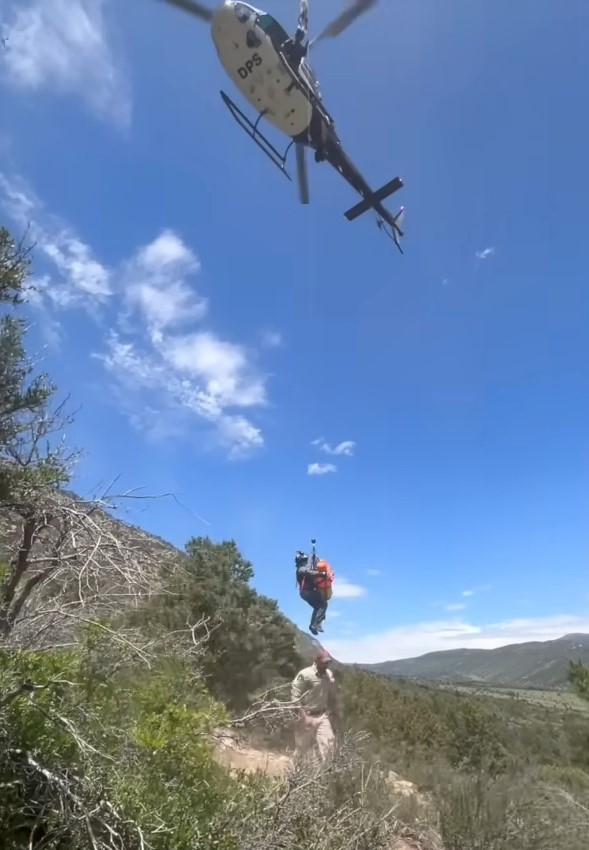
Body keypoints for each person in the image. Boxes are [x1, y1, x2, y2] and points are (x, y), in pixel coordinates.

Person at [291, 649, 338, 762]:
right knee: (301, 749)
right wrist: (303, 716)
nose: (327, 665)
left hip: (322, 715)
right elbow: (294, 696)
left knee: (329, 748)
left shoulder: (328, 674)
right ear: (316, 661)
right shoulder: (305, 674)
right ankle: (292, 773)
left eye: (328, 662)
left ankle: (327, 775)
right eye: (324, 662)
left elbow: (331, 691)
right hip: (306, 716)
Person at [295, 550, 332, 635]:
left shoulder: (301, 569)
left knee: (318, 607)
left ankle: (314, 624)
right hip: (307, 592)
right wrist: (320, 573)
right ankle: (316, 624)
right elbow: (308, 572)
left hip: (306, 593)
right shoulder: (300, 569)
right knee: (323, 604)